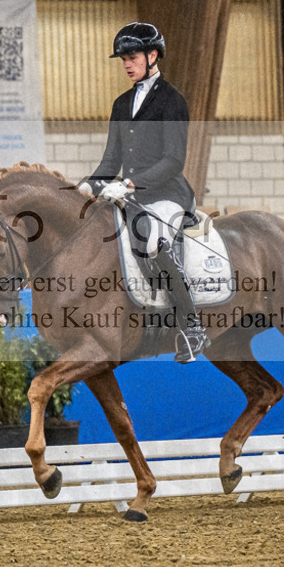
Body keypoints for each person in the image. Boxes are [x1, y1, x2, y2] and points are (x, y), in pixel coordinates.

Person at [77, 22, 207, 364]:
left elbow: (173, 161)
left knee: (153, 242)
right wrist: (88, 185)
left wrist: (129, 184)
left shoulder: (172, 101)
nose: (127, 64)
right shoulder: (122, 104)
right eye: (123, 59)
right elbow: (111, 159)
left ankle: (192, 327)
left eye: (132, 57)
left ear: (152, 56)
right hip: (132, 197)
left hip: (168, 194)